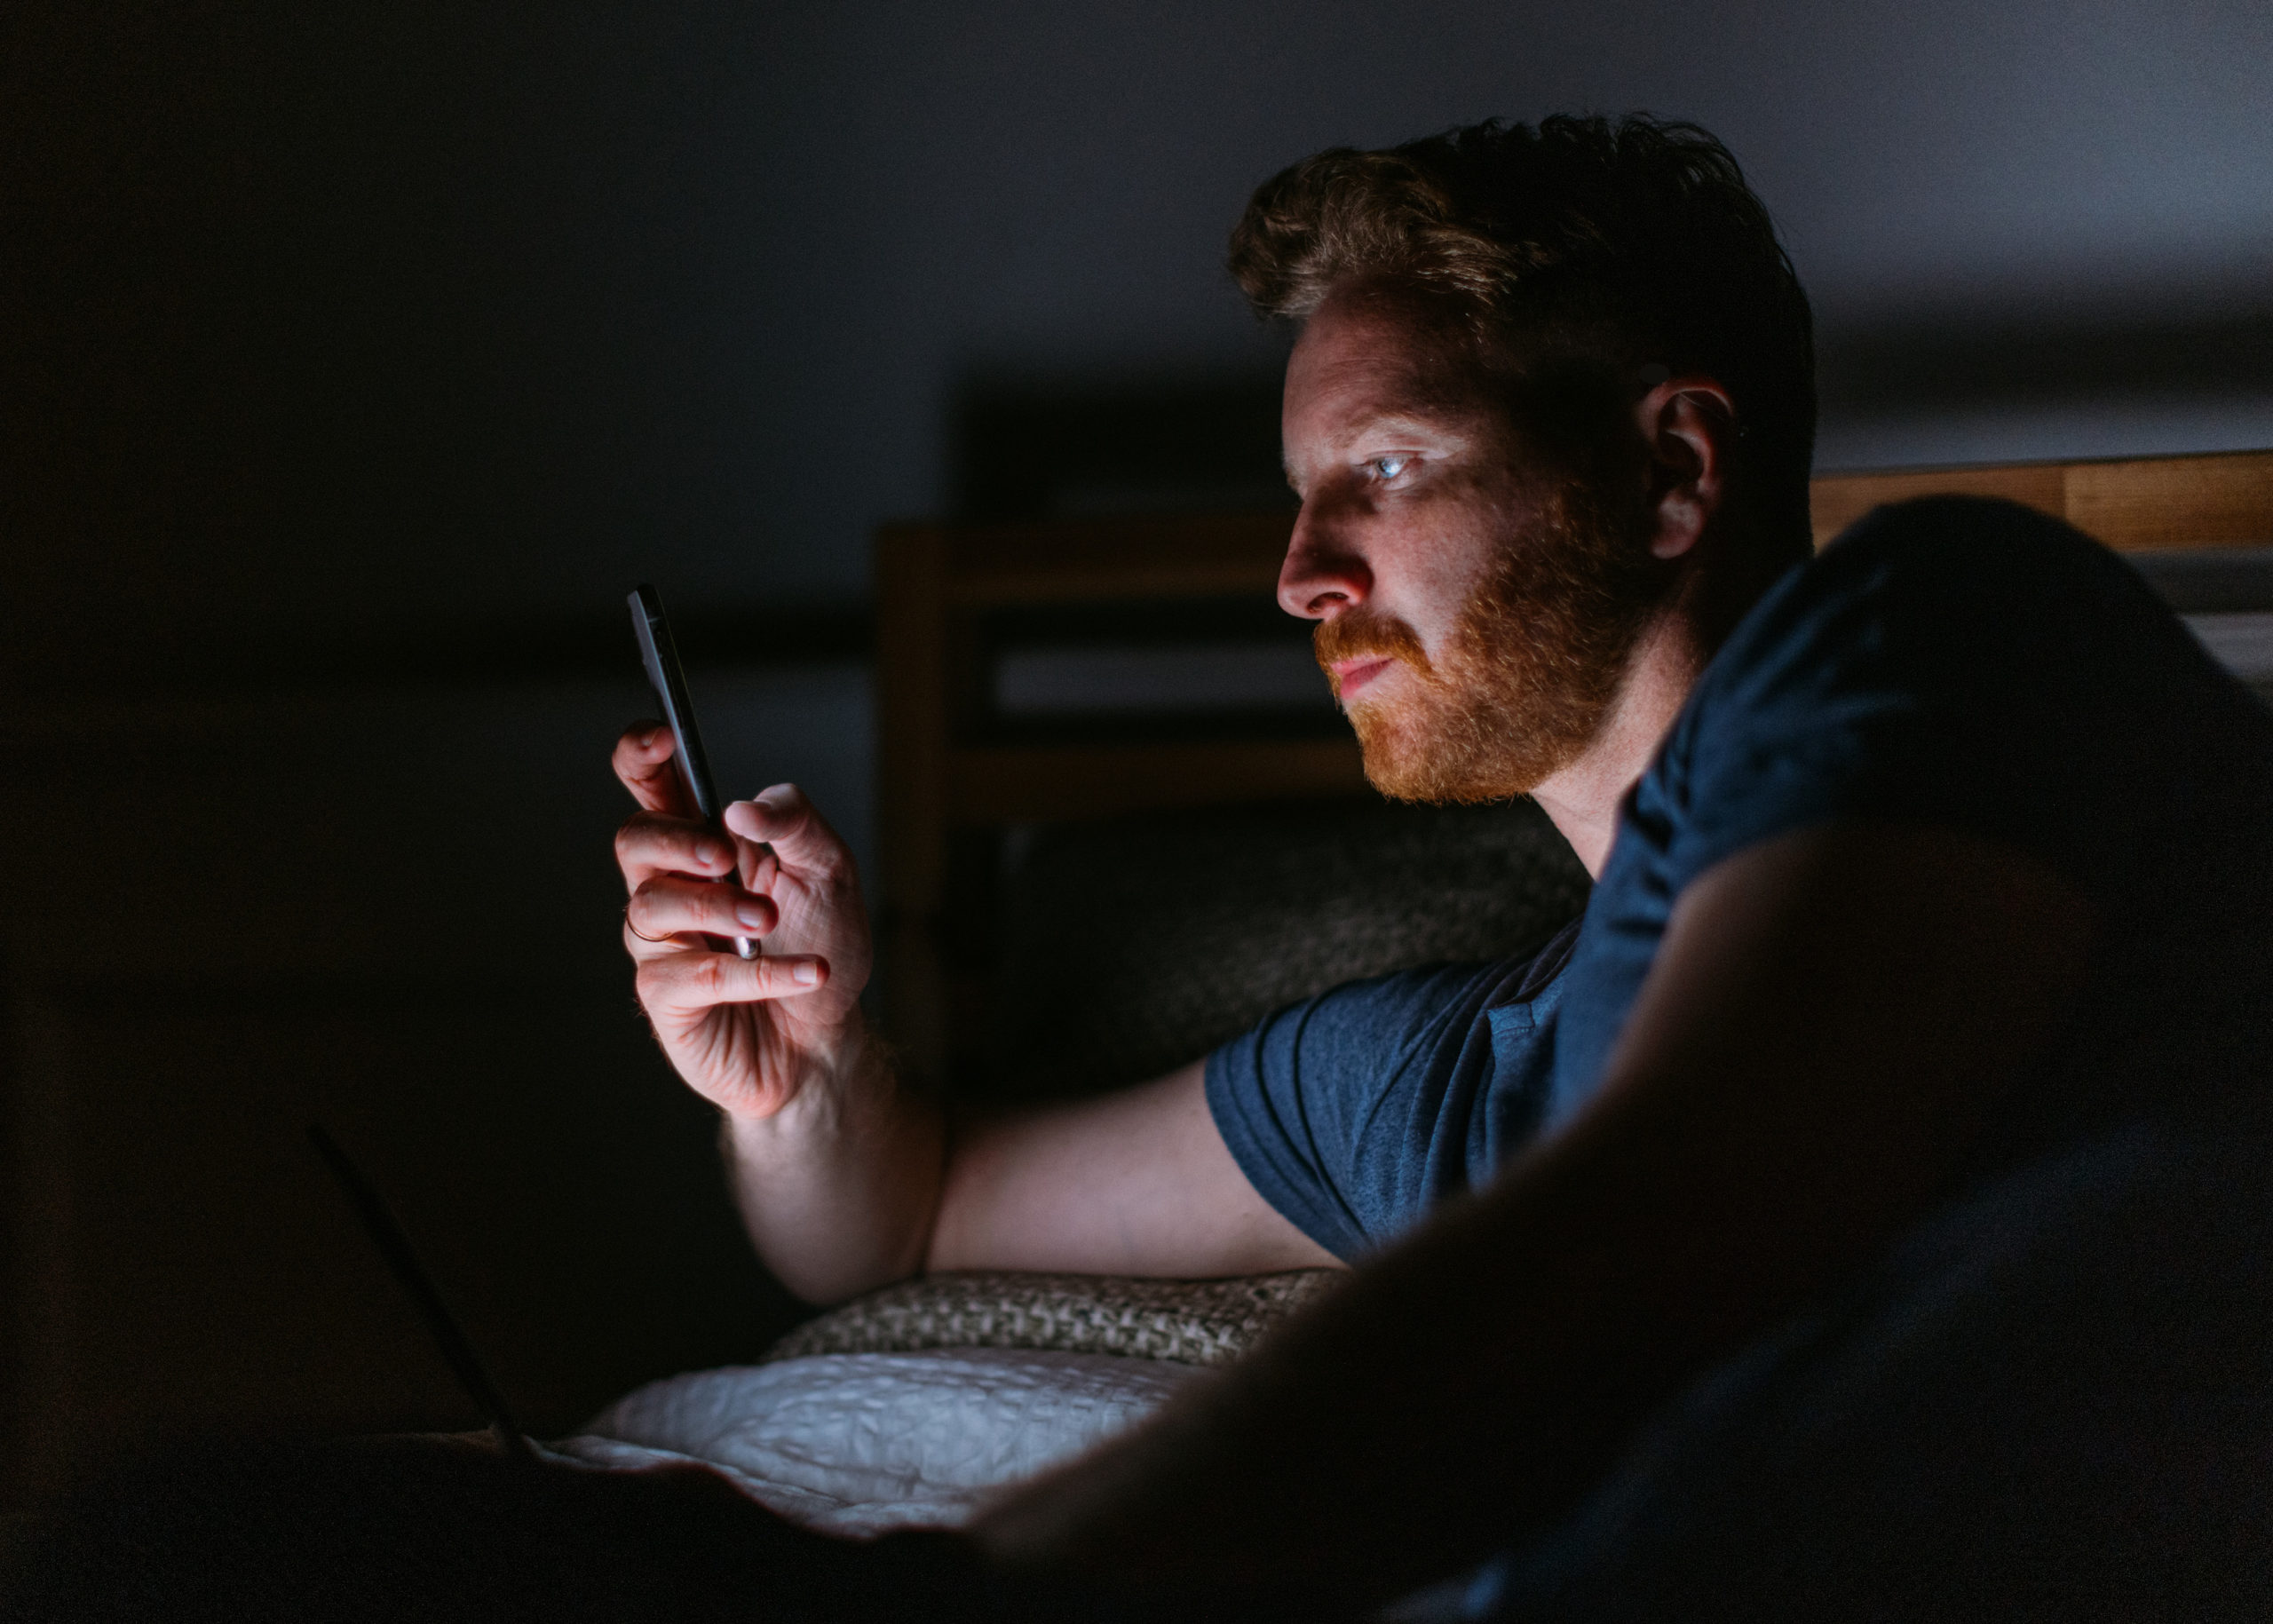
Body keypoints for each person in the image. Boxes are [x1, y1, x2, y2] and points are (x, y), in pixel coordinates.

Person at [607, 117, 2273, 1618]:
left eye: (1384, 470)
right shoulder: (1444, 1086)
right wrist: (798, 1060)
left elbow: (1642, 1254)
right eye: (1298, 498)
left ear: (1671, 471)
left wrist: (982, 1586)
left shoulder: (1945, 624)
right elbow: (907, 1219)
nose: (1299, 576)